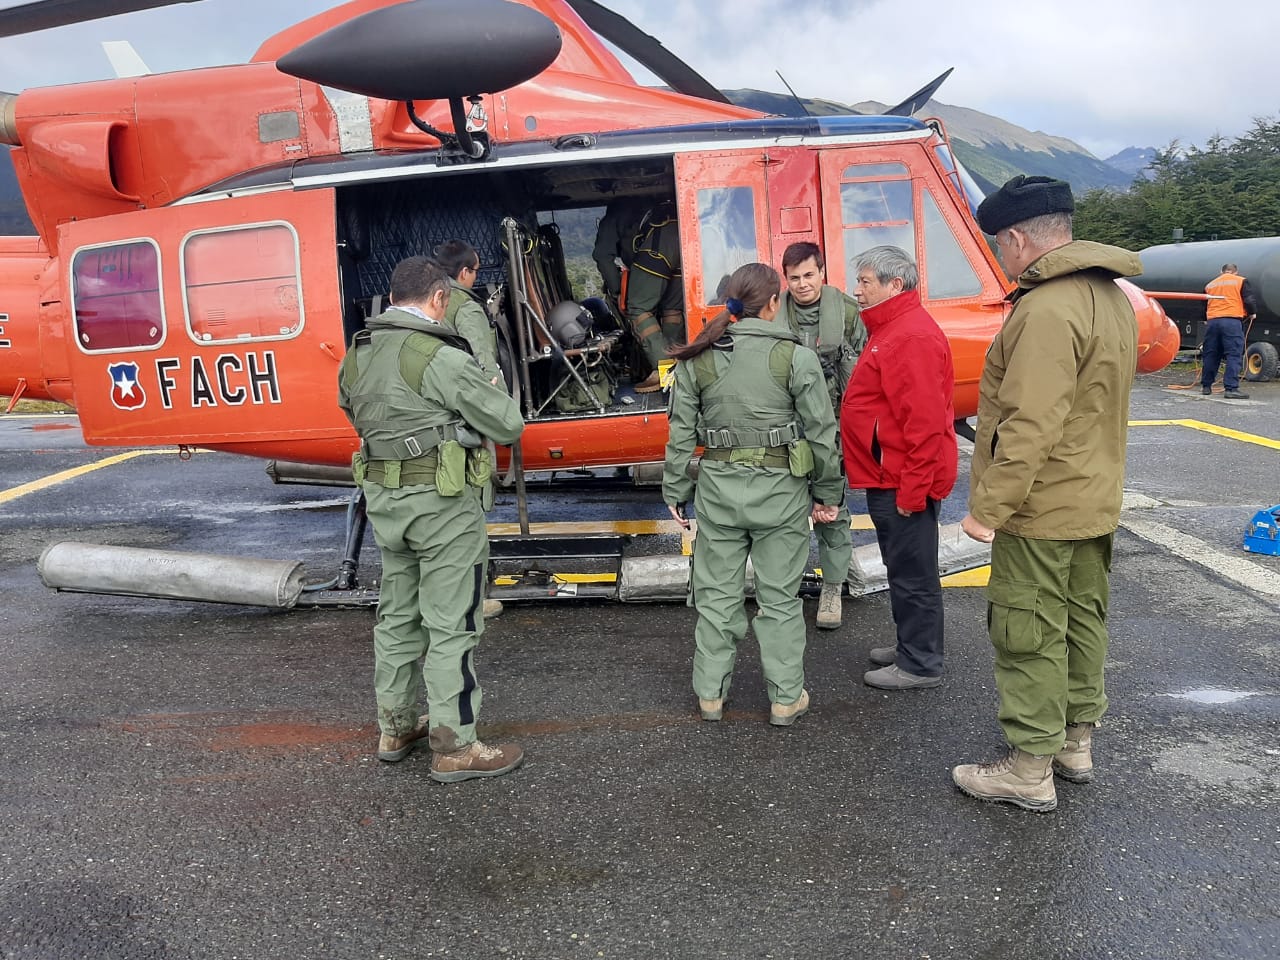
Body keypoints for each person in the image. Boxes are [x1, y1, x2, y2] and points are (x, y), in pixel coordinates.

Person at [954, 175, 1140, 813]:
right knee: (1083, 619)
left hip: (1041, 505)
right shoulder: (1110, 295)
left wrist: (989, 508)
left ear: (1015, 238)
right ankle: (1074, 741)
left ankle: (1028, 768)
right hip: (1093, 497)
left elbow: (1031, 419)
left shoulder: (1044, 308)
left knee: (1028, 627)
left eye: (998, 246)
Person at [337, 256, 526, 783]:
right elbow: (506, 423)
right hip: (442, 507)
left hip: (388, 506)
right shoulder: (438, 356)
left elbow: (354, 411)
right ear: (440, 298)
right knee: (452, 625)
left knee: (398, 616)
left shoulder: (359, 353)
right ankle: (454, 744)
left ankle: (395, 727)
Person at [663, 262, 844, 726]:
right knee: (779, 601)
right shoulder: (795, 357)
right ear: (773, 304)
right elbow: (822, 435)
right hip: (781, 497)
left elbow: (681, 434)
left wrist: (675, 490)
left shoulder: (698, 358)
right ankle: (785, 699)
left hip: (718, 496)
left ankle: (710, 696)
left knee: (716, 599)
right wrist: (828, 494)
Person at [841, 245, 957, 691]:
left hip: (902, 480)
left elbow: (924, 423)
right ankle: (912, 644)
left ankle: (920, 663)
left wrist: (912, 492)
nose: (858, 290)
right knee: (903, 567)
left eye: (866, 281)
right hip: (890, 475)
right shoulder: (893, 328)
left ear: (895, 285)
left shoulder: (908, 336)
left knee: (913, 572)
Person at [779, 241, 867, 629]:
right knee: (786, 514)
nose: (802, 285)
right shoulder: (772, 316)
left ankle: (833, 587)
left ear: (822, 272)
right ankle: (784, 588)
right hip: (787, 430)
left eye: (809, 275)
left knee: (833, 510)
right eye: (794, 278)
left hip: (832, 428)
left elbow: (865, 370)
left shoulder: (847, 313)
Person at [625, 200, 685, 392]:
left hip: (657, 250)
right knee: (672, 309)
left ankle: (664, 370)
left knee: (638, 308)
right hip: (684, 240)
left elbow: (603, 254)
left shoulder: (616, 213)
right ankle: (678, 367)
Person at [432, 239, 501, 383]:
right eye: (476, 271)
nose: (476, 277)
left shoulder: (424, 297)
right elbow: (483, 361)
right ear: (464, 272)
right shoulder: (466, 308)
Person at [1201, 262, 1258, 399]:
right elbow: (1248, 299)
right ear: (1235, 272)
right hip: (1231, 321)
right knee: (1233, 354)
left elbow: (1204, 304)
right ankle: (1231, 388)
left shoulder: (1210, 284)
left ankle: (1206, 386)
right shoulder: (1240, 281)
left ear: (1221, 271)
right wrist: (1252, 312)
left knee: (1211, 353)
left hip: (1213, 322)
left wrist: (1206, 318)